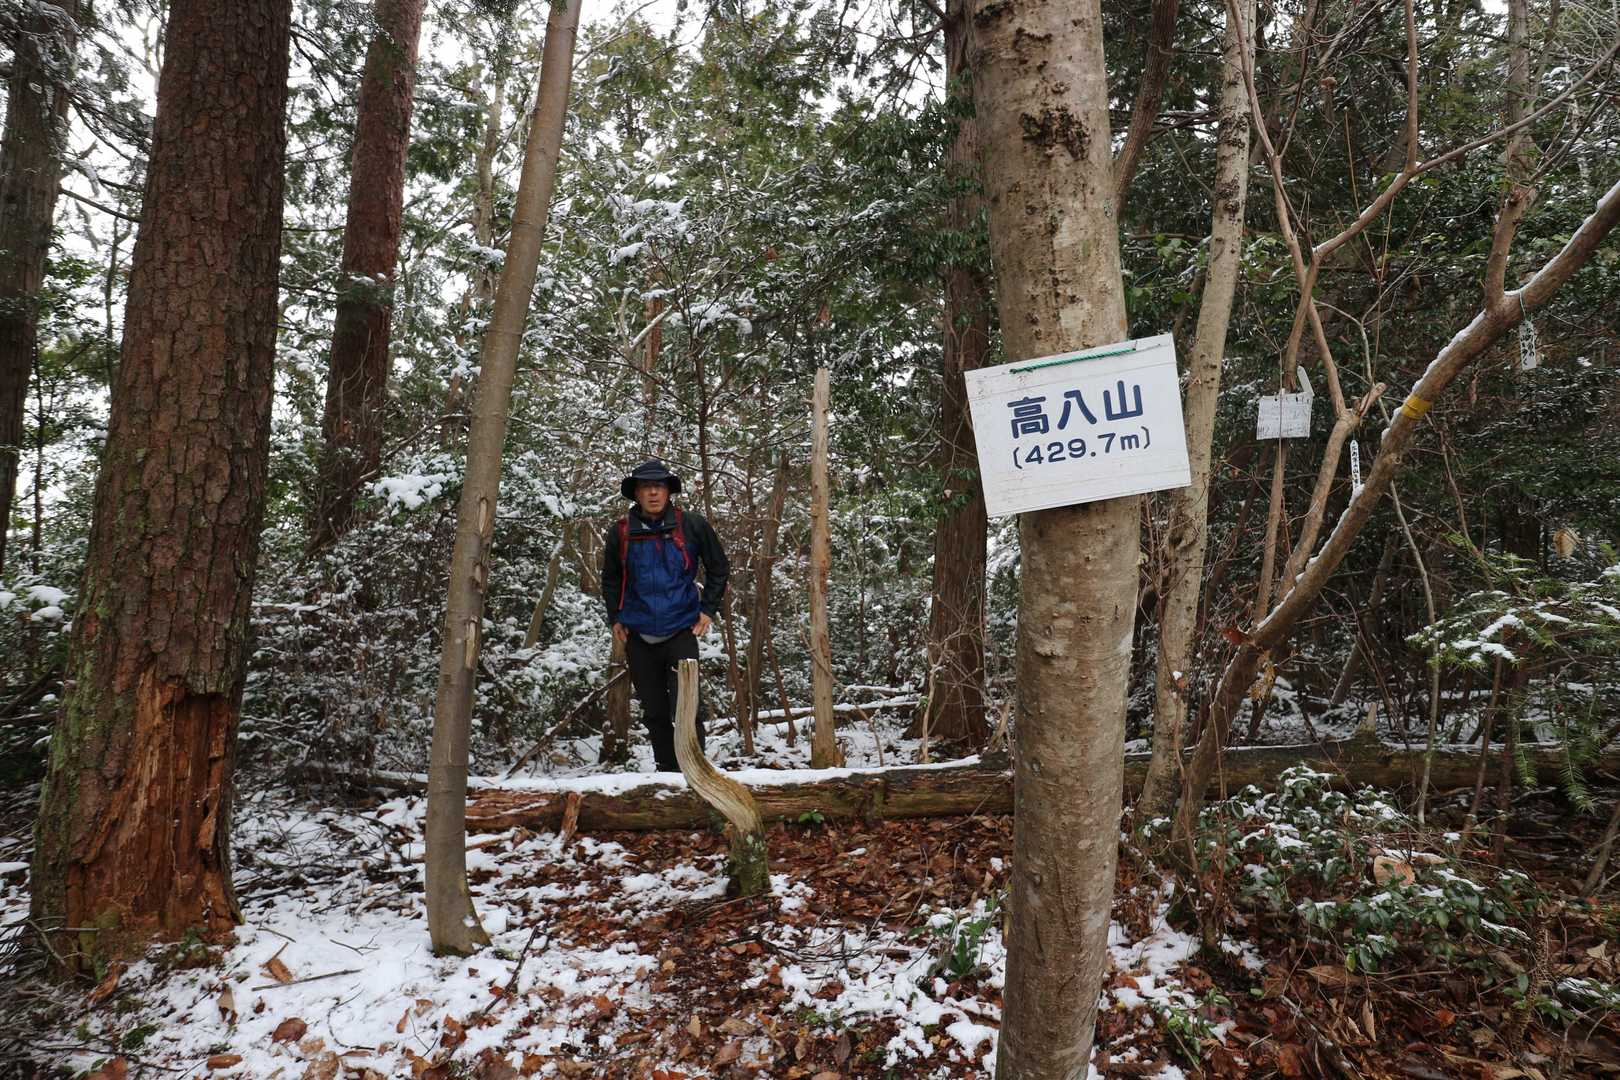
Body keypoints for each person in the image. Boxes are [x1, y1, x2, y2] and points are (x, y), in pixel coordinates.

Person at [600, 459, 729, 772]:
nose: (653, 493)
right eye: (646, 487)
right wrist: (615, 617)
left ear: (668, 491)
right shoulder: (621, 532)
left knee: (687, 709)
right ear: (637, 493)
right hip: (639, 635)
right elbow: (611, 578)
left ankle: (696, 774)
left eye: (659, 486)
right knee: (654, 712)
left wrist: (708, 609)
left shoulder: (692, 526)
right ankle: (667, 776)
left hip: (681, 631)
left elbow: (719, 567)